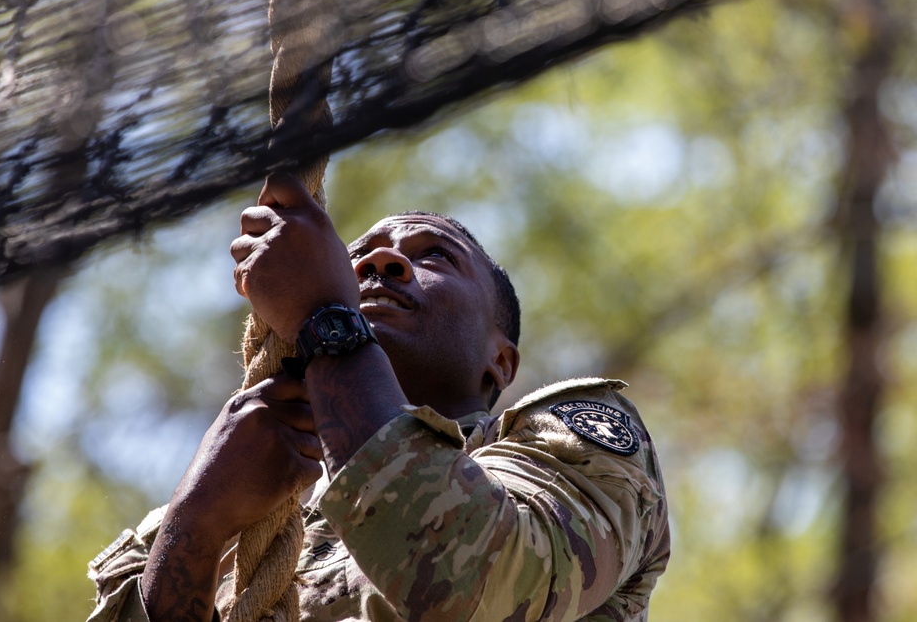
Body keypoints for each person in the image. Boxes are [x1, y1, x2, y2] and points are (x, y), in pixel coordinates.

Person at [87, 175, 670, 622]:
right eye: (354, 258)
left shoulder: (569, 445)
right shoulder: (228, 506)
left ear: (502, 360)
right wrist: (199, 520)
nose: (377, 262)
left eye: (435, 256)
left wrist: (328, 320)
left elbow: (479, 580)